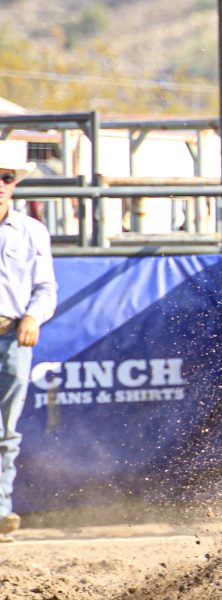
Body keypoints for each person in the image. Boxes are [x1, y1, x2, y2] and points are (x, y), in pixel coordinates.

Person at [0, 151, 56, 542]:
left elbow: (46, 287)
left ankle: (1, 509)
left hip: (11, 333)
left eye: (5, 177)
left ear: (15, 183)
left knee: (5, 431)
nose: (0, 184)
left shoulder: (32, 231)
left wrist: (33, 316)